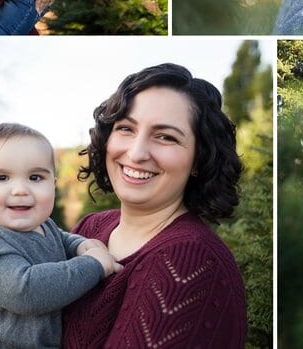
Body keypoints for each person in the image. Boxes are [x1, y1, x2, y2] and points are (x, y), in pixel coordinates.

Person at [61, 63, 247, 347]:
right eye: (125, 128)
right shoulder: (91, 228)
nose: (136, 153)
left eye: (166, 137)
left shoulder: (188, 260)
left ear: (199, 158)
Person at [0, 123, 120, 348]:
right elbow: (26, 292)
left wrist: (78, 245)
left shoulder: (43, 224)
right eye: (1, 178)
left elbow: (58, 238)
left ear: (53, 186)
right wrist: (93, 264)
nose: (20, 190)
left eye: (35, 178)